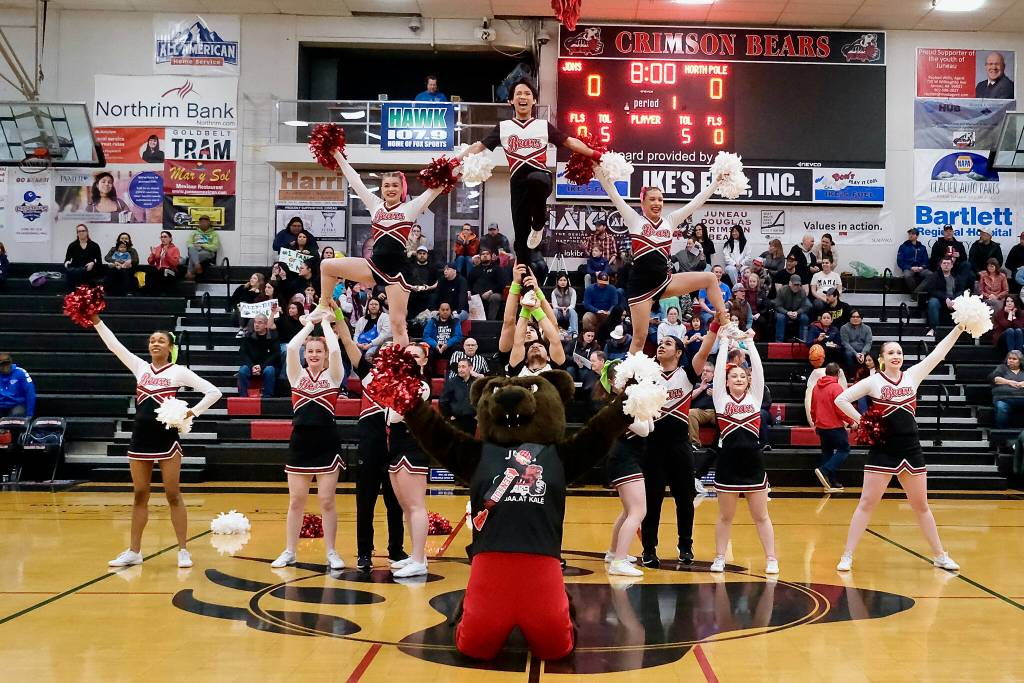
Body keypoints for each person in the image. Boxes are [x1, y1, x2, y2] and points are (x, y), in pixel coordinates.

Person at [91, 314, 221, 568]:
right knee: (140, 494)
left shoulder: (179, 372)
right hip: (140, 439)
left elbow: (213, 392)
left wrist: (192, 412)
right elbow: (113, 345)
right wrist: (97, 321)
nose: (155, 344)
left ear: (170, 348)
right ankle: (134, 551)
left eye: (161, 341)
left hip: (167, 441)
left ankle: (183, 550)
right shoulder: (140, 367)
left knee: (173, 494)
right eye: (152, 341)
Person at [834, 327, 966, 572]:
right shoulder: (873, 381)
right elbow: (840, 399)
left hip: (911, 448)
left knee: (921, 506)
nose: (896, 356)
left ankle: (940, 555)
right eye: (891, 352)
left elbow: (937, 354)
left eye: (899, 352)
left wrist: (958, 329)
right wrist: (863, 421)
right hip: (883, 449)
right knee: (866, 504)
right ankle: (847, 555)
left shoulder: (912, 375)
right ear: (882, 358)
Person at [460, 78, 604, 264]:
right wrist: (453, 161)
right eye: (518, 93)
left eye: (527, 93)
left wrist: (597, 154)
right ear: (510, 100)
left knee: (538, 180)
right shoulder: (504, 128)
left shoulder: (543, 126)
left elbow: (570, 142)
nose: (523, 97)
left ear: (534, 100)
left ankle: (538, 225)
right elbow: (479, 146)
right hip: (517, 183)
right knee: (521, 241)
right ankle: (525, 286)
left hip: (540, 176)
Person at [594, 165, 730, 354]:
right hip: (641, 288)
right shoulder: (634, 220)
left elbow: (696, 202)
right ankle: (626, 381)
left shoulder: (670, 221)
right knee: (639, 340)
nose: (657, 203)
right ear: (643, 202)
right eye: (652, 199)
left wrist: (717, 182)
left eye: (660, 199)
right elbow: (613, 192)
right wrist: (598, 170)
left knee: (709, 278)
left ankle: (725, 322)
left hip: (665, 281)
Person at [316, 155, 445, 351]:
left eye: (395, 185)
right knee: (327, 265)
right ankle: (324, 305)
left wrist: (457, 164)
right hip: (374, 266)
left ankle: (401, 372)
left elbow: (436, 188)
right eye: (386, 186)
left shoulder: (410, 207)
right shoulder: (374, 205)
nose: (391, 189)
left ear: (402, 189)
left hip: (397, 274)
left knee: (398, 325)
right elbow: (354, 180)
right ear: (382, 189)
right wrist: (336, 154)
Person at [637, 327, 721, 569]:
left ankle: (685, 546)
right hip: (652, 447)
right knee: (652, 501)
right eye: (660, 343)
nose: (661, 346)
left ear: (679, 352)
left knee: (685, 500)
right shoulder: (648, 377)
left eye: (668, 343)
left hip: (679, 447)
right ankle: (649, 550)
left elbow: (705, 350)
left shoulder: (686, 373)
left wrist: (714, 326)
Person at [270, 313, 347, 570]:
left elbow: (336, 351)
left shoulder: (333, 376)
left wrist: (326, 323)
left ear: (324, 356)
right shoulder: (296, 375)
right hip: (300, 443)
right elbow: (291, 347)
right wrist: (309, 326)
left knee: (327, 501)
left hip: (327, 442)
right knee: (296, 501)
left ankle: (332, 552)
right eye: (310, 351)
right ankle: (290, 550)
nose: (314, 354)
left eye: (318, 351)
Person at [331, 316, 407, 572]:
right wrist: (339, 317)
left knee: (395, 504)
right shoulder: (367, 374)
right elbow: (349, 343)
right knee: (365, 504)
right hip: (369, 448)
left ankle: (396, 550)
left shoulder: (402, 381)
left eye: (390, 352)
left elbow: (401, 336)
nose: (386, 356)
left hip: (394, 449)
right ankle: (364, 552)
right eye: (382, 353)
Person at [710, 333, 778, 574]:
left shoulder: (754, 398)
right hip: (728, 464)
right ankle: (719, 557)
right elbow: (718, 373)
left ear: (748, 381)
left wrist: (749, 342)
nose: (738, 378)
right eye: (733, 376)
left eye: (742, 376)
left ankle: (771, 558)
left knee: (761, 516)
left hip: (753, 464)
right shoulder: (720, 399)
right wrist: (724, 344)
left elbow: (758, 371)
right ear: (727, 382)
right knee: (725, 517)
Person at [386, 343, 433, 577]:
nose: (412, 359)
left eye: (416, 356)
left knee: (415, 506)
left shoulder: (421, 385)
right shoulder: (403, 384)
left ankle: (418, 560)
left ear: (423, 361)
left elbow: (395, 416)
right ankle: (417, 555)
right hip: (396, 447)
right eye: (408, 356)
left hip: (412, 448)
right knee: (406, 507)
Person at [811, 362, 854, 493]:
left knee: (827, 452)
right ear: (838, 373)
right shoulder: (837, 388)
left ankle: (831, 483)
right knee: (844, 449)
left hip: (821, 426)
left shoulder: (816, 387)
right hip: (834, 426)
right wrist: (851, 422)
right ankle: (824, 470)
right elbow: (840, 409)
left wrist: (815, 422)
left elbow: (813, 408)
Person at [924, 256, 970, 336]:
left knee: (967, 302)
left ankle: (964, 330)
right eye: (944, 263)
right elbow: (932, 290)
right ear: (941, 265)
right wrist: (946, 298)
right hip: (940, 300)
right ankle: (933, 328)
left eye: (948, 263)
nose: (946, 265)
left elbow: (961, 290)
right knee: (933, 302)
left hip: (955, 300)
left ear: (952, 265)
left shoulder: (957, 276)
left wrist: (953, 300)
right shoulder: (935, 276)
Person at [238, 315, 280, 399]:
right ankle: (243, 396)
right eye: (255, 322)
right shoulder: (248, 336)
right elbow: (243, 353)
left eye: (260, 323)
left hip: (267, 366)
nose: (256, 325)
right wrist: (251, 366)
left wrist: (261, 366)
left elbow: (275, 354)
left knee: (269, 370)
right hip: (252, 365)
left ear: (266, 325)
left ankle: (267, 397)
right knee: (243, 370)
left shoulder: (273, 337)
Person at [440, 358, 477, 434]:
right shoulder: (451, 382)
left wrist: (478, 415)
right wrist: (449, 416)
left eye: (463, 367)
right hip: (456, 420)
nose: (460, 369)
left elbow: (481, 400)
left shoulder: (476, 382)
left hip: (471, 420)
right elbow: (443, 401)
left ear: (470, 368)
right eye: (459, 367)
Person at [468, 248, 505, 320]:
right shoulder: (475, 269)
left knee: (495, 297)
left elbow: (501, 283)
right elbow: (469, 283)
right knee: (468, 297)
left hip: (492, 293)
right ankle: (474, 322)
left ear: (491, 256)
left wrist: (490, 292)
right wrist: (469, 291)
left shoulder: (497, 268)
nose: (485, 256)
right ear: (480, 257)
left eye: (487, 254)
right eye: (483, 254)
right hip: (477, 295)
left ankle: (490, 321)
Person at [990, 350, 1024, 428]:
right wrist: (1009, 382)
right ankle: (1001, 433)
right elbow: (994, 378)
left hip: (1022, 398)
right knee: (1001, 407)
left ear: (1020, 361)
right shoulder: (1002, 368)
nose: (1011, 360)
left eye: (1014, 359)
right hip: (1004, 398)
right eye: (1009, 358)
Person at [63, 224, 102, 291]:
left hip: (90, 269)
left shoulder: (94, 245)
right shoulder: (72, 245)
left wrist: (92, 263)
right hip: (76, 269)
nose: (81, 233)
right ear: (77, 233)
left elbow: (99, 261)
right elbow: (67, 259)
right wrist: (67, 263)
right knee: (75, 273)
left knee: (83, 274)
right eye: (79, 231)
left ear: (87, 232)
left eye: (83, 231)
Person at [774, 275, 811, 342]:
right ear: (790, 283)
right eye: (795, 284)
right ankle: (779, 342)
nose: (796, 287)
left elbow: (806, 306)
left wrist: (797, 312)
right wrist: (787, 312)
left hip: (797, 313)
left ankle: (803, 341)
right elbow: (777, 306)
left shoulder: (802, 292)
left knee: (805, 318)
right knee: (780, 317)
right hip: (784, 313)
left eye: (798, 285)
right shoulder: (782, 290)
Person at [103, 232, 140, 296]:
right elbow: (107, 258)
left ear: (129, 240)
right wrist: (115, 261)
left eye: (126, 238)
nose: (124, 240)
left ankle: (126, 292)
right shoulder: (113, 249)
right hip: (115, 268)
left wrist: (129, 261)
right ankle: (108, 291)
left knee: (125, 272)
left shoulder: (132, 250)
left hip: (127, 269)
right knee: (111, 270)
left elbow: (136, 260)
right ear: (118, 240)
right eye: (122, 238)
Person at [406, 246, 439, 318]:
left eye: (424, 253)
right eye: (420, 253)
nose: (422, 255)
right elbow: (405, 281)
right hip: (413, 295)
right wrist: (412, 287)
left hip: (427, 295)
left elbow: (438, 282)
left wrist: (430, 287)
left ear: (427, 255)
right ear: (417, 255)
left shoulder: (433, 267)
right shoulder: (411, 267)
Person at [144, 231, 180, 296]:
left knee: (163, 270)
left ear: (170, 239)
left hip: (171, 271)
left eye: (165, 237)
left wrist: (167, 254)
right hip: (159, 270)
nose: (163, 239)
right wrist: (153, 254)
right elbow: (150, 262)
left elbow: (175, 264)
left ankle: (164, 293)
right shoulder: (157, 248)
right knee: (149, 270)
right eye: (161, 237)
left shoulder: (175, 249)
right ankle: (150, 293)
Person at [185, 215, 220, 280]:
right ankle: (197, 266)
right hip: (195, 250)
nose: (203, 223)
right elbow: (189, 244)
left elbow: (215, 247)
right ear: (199, 223)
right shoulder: (194, 233)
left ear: (209, 223)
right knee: (192, 250)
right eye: (201, 222)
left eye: (205, 222)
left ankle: (190, 272)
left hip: (208, 252)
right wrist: (195, 246)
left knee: (193, 257)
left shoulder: (213, 234)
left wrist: (203, 246)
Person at [0, 353, 34, 419]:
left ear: (11, 363)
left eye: (7, 364)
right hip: (1, 405)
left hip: (17, 404)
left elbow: (30, 393)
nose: (5, 367)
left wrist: (30, 414)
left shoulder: (21, 373)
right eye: (2, 365)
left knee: (15, 416)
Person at [897, 228, 930, 294]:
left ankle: (915, 294)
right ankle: (917, 295)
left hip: (920, 268)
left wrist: (922, 267)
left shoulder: (922, 247)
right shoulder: (903, 247)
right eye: (909, 234)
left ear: (917, 236)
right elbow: (900, 261)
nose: (910, 235)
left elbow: (926, 261)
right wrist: (910, 267)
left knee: (931, 275)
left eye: (913, 234)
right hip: (909, 268)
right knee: (907, 275)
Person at [840, 310, 873, 374]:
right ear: (850, 318)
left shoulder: (867, 328)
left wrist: (863, 353)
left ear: (861, 318)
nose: (855, 318)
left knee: (870, 354)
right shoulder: (844, 328)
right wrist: (856, 354)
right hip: (850, 350)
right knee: (848, 354)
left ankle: (867, 374)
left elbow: (868, 343)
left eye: (858, 317)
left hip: (863, 350)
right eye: (853, 317)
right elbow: (845, 343)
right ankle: (852, 375)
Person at [551, 273, 578, 338]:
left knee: (572, 311)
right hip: (559, 312)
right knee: (553, 310)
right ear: (557, 282)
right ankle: (552, 330)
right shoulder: (554, 292)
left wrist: (566, 309)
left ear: (567, 281)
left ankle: (574, 332)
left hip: (568, 312)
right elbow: (554, 305)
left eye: (564, 280)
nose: (562, 282)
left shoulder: (572, 291)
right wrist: (562, 308)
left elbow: (572, 305)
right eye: (560, 280)